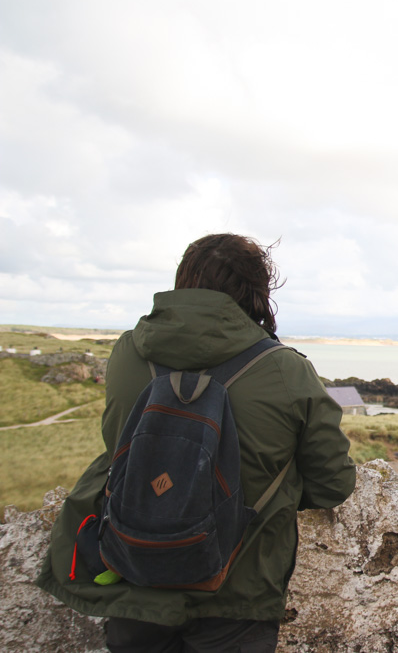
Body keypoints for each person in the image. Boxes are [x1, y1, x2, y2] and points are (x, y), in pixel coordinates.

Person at [36, 234, 357, 652]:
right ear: (258, 291)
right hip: (238, 590)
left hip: (134, 578)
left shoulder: (128, 353)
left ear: (182, 283)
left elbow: (118, 446)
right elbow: (333, 484)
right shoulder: (285, 370)